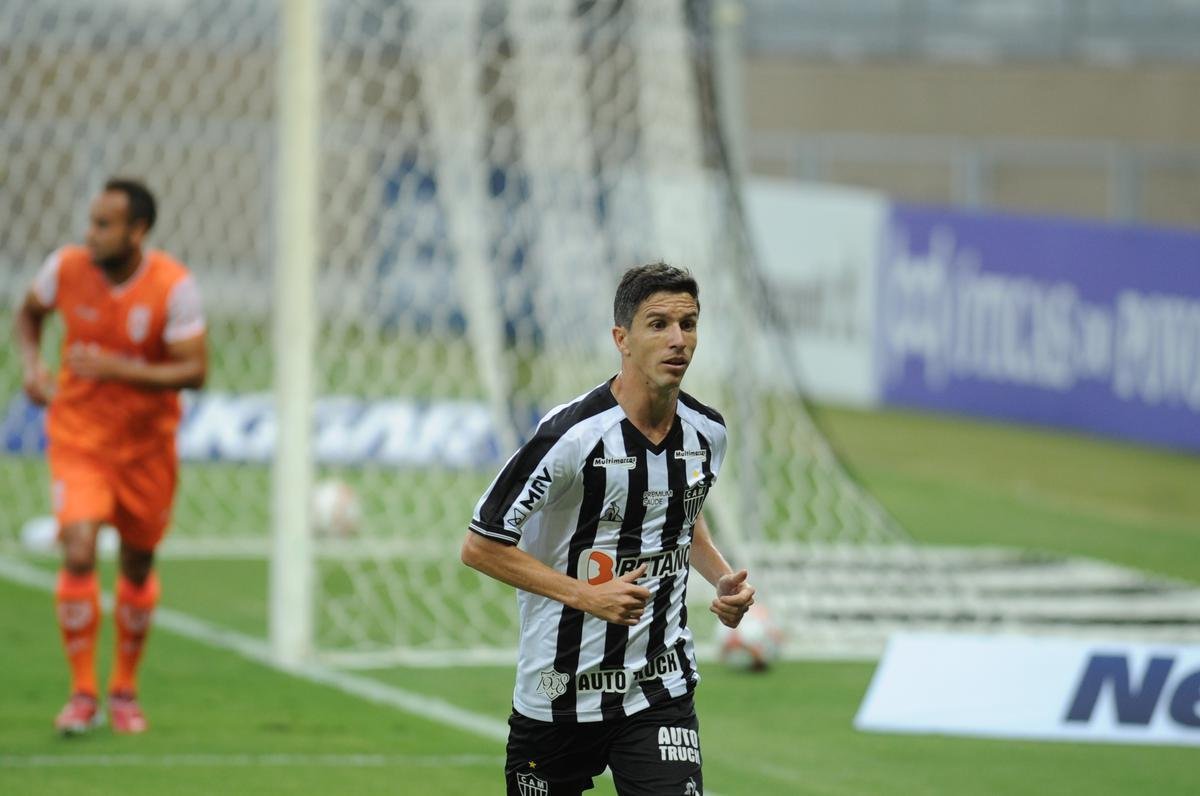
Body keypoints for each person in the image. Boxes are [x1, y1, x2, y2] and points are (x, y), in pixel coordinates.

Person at [462, 262, 755, 795]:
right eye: (658, 324)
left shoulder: (707, 432)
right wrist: (586, 596)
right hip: (557, 691)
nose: (678, 340)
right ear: (622, 339)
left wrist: (720, 579)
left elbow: (683, 512)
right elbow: (481, 545)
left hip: (658, 687)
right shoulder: (571, 436)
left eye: (688, 324)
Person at [14, 178, 207, 735]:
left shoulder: (174, 286)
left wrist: (119, 369)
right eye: (91, 222)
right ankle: (82, 694)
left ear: (137, 230)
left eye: (104, 225)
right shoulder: (65, 268)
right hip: (79, 436)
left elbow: (196, 371)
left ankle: (124, 688)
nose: (90, 234)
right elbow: (29, 314)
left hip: (147, 446)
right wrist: (33, 366)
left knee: (137, 563)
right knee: (78, 547)